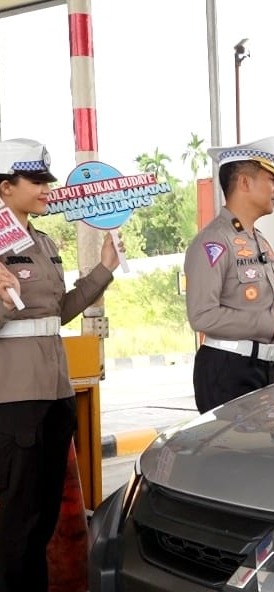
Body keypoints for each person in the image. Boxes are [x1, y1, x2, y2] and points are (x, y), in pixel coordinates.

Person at [0, 138, 124, 592]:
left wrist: (105, 268)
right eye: (35, 180)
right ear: (5, 187)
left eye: (47, 180)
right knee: (18, 520)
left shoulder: (42, 240)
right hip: (15, 398)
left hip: (55, 391)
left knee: (44, 516)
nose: (46, 188)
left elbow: (59, 311)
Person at [184, 137, 274, 414]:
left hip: (264, 370)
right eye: (271, 180)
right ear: (244, 183)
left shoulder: (260, 241)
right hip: (227, 370)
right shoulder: (213, 242)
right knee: (234, 456)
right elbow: (202, 315)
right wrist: (271, 324)